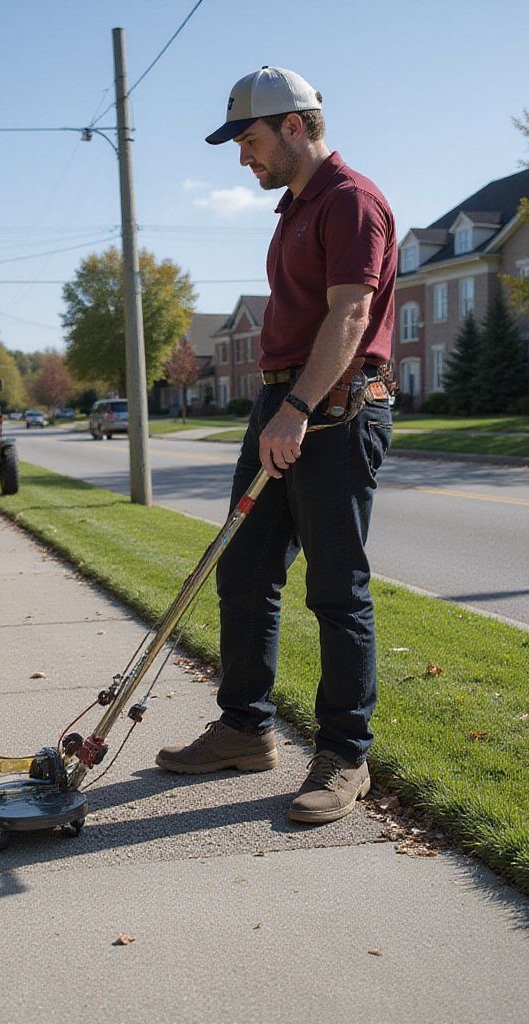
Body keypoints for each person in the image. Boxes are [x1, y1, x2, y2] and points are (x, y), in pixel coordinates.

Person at [156, 67, 397, 825]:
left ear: (296, 127)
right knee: (246, 571)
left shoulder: (351, 201)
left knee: (334, 587)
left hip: (335, 410)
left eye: (250, 140)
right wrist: (278, 404)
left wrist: (296, 407)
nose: (242, 158)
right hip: (284, 401)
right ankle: (243, 729)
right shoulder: (294, 208)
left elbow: (351, 318)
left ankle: (344, 755)